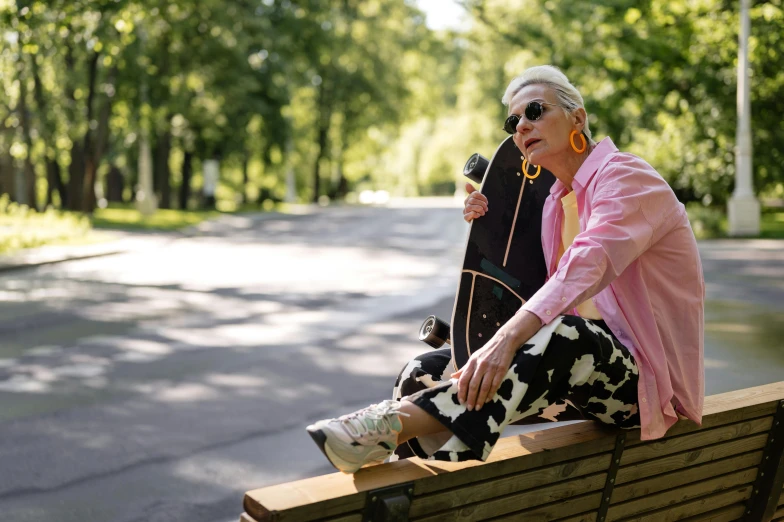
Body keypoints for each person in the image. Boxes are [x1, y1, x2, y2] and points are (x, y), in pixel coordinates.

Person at [306, 65, 705, 473]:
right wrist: (491, 223)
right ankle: (417, 498)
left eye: (535, 110)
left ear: (578, 118)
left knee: (568, 337)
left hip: (647, 386)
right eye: (513, 121)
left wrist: (505, 340)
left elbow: (589, 261)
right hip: (576, 377)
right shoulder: (554, 203)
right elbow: (529, 284)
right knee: (422, 372)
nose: (522, 126)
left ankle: (389, 421)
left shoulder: (628, 178)